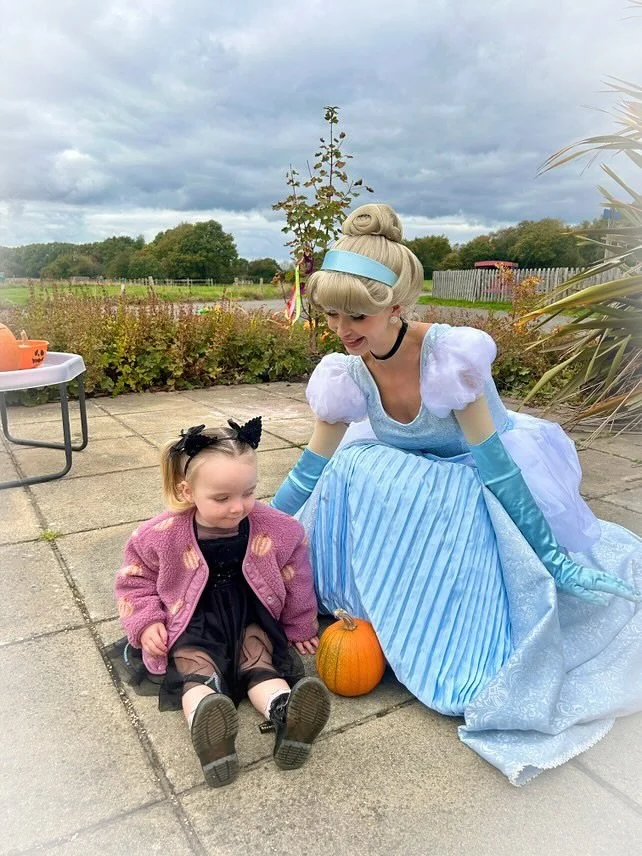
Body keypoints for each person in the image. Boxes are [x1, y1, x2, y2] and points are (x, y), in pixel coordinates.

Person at [271, 203, 642, 786]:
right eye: (334, 315)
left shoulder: (451, 358)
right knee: (354, 466)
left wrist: (554, 560)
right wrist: (257, 526)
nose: (344, 330)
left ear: (397, 306)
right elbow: (311, 467)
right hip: (414, 475)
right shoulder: (346, 371)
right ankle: (373, 605)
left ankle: (442, 628)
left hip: (477, 469)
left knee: (436, 492)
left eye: (358, 316)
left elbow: (495, 468)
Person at [114, 417, 330, 788]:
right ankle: (209, 727)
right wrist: (147, 622)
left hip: (250, 617)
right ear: (187, 492)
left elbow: (296, 577)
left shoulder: (275, 528)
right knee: (194, 670)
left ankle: (285, 712)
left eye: (248, 492)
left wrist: (299, 625)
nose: (238, 507)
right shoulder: (159, 535)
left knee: (259, 662)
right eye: (222, 498)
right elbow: (135, 580)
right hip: (190, 623)